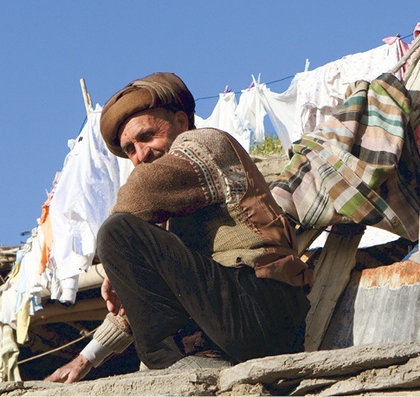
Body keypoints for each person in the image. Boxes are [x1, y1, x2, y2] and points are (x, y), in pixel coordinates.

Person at [46, 72, 311, 383]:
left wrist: (113, 256)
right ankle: (187, 366)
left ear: (182, 122)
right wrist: (84, 360)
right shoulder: (174, 214)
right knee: (123, 237)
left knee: (118, 232)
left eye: (146, 137)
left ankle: (173, 364)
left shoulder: (206, 144)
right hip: (236, 329)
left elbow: (140, 189)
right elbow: (141, 306)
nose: (140, 155)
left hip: (264, 310)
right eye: (130, 149)